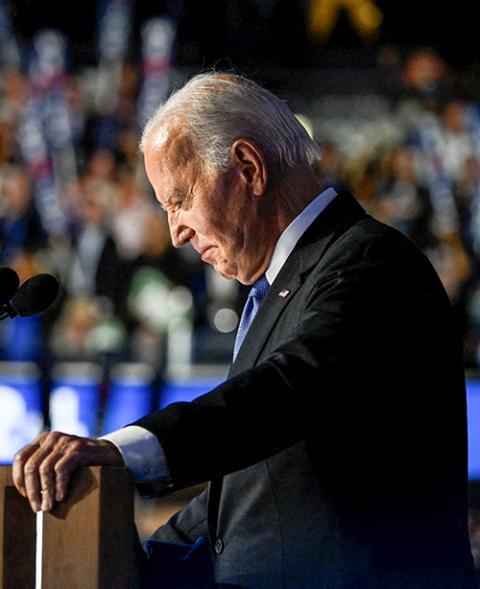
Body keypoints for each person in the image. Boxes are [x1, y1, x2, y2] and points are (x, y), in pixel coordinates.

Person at [13, 73, 476, 589]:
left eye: (180, 199)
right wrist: (116, 556)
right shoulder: (279, 287)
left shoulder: (369, 262)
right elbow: (245, 497)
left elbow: (285, 392)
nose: (176, 232)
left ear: (248, 168)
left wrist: (123, 453)